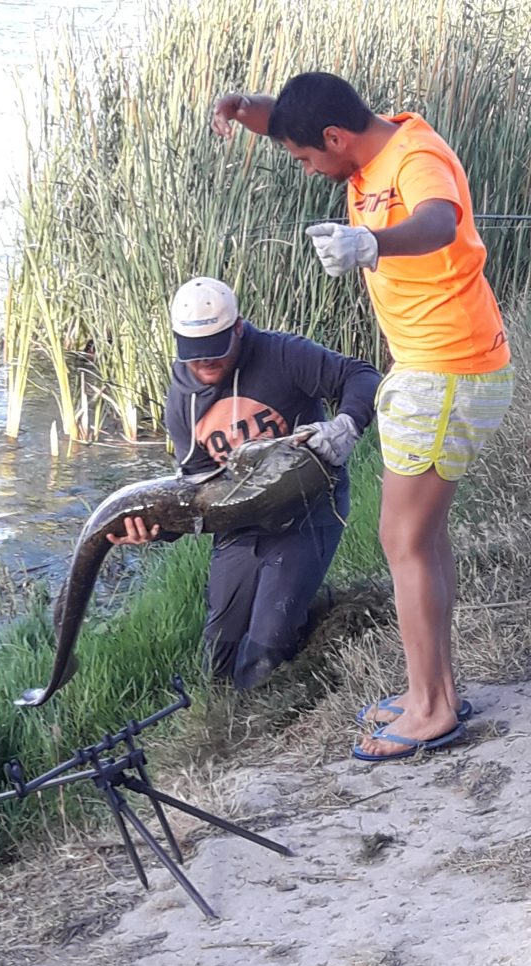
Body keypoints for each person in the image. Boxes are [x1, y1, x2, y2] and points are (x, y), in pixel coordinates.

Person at [211, 72, 514, 760]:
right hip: (438, 369)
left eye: (304, 159)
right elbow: (303, 123)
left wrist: (372, 244)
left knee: (402, 540)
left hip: (449, 370)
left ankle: (433, 709)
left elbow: (441, 221)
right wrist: (245, 110)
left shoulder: (414, 157)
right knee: (422, 539)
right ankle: (431, 688)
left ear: (336, 139)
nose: (307, 170)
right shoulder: (363, 143)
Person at [108, 276, 379, 691]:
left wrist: (345, 425)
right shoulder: (182, 402)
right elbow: (198, 498)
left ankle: (265, 722)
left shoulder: (283, 354)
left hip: (307, 511)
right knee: (220, 656)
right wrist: (156, 531)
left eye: (215, 352)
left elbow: (361, 376)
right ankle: (232, 707)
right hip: (241, 523)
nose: (204, 366)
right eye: (195, 356)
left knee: (267, 646)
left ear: (237, 328)